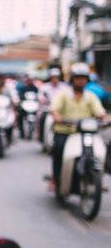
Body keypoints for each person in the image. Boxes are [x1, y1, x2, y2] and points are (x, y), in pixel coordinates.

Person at [48, 63, 107, 191]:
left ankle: (98, 179)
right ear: (73, 79)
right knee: (59, 149)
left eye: (83, 78)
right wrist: (57, 116)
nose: (81, 81)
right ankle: (55, 177)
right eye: (78, 78)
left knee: (100, 151)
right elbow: (54, 107)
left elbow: (100, 113)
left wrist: (106, 119)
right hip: (65, 131)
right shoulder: (64, 94)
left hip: (86, 133)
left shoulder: (90, 96)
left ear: (87, 80)